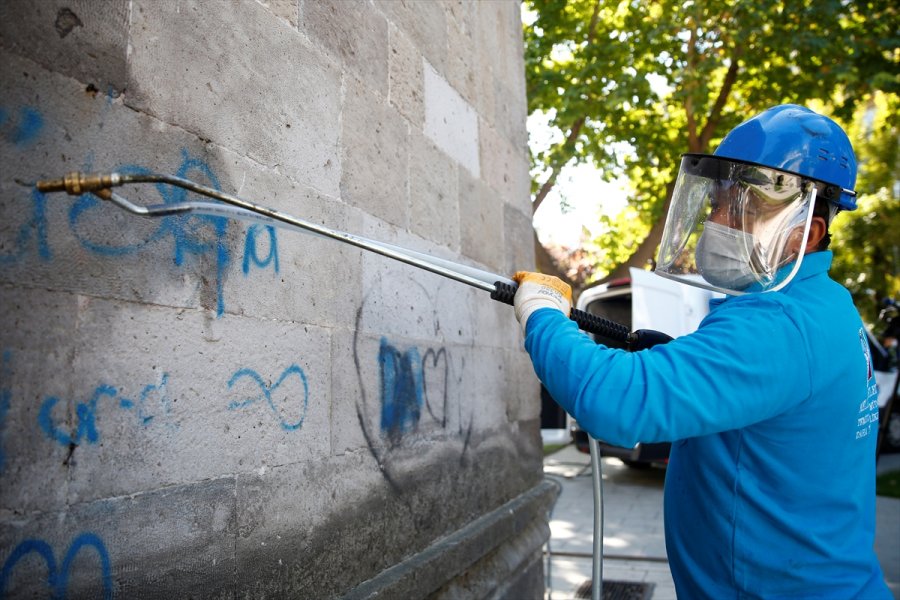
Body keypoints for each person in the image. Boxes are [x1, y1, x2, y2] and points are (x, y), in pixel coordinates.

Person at [514, 105, 891, 598]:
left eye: (739, 209)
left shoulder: (777, 323)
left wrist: (541, 313)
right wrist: (682, 362)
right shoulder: (825, 304)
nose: (716, 221)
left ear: (807, 232)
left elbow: (615, 401)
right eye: (717, 203)